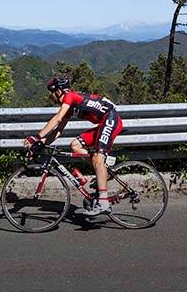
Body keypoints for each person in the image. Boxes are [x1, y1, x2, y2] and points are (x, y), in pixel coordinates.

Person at [24, 75, 123, 216]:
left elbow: (57, 119)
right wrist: (40, 144)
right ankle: (103, 169)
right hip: (104, 122)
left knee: (97, 157)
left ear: (58, 91)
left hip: (111, 118)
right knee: (75, 145)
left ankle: (103, 202)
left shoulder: (69, 96)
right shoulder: (70, 106)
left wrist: (37, 136)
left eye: (51, 92)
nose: (50, 96)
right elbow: (58, 131)